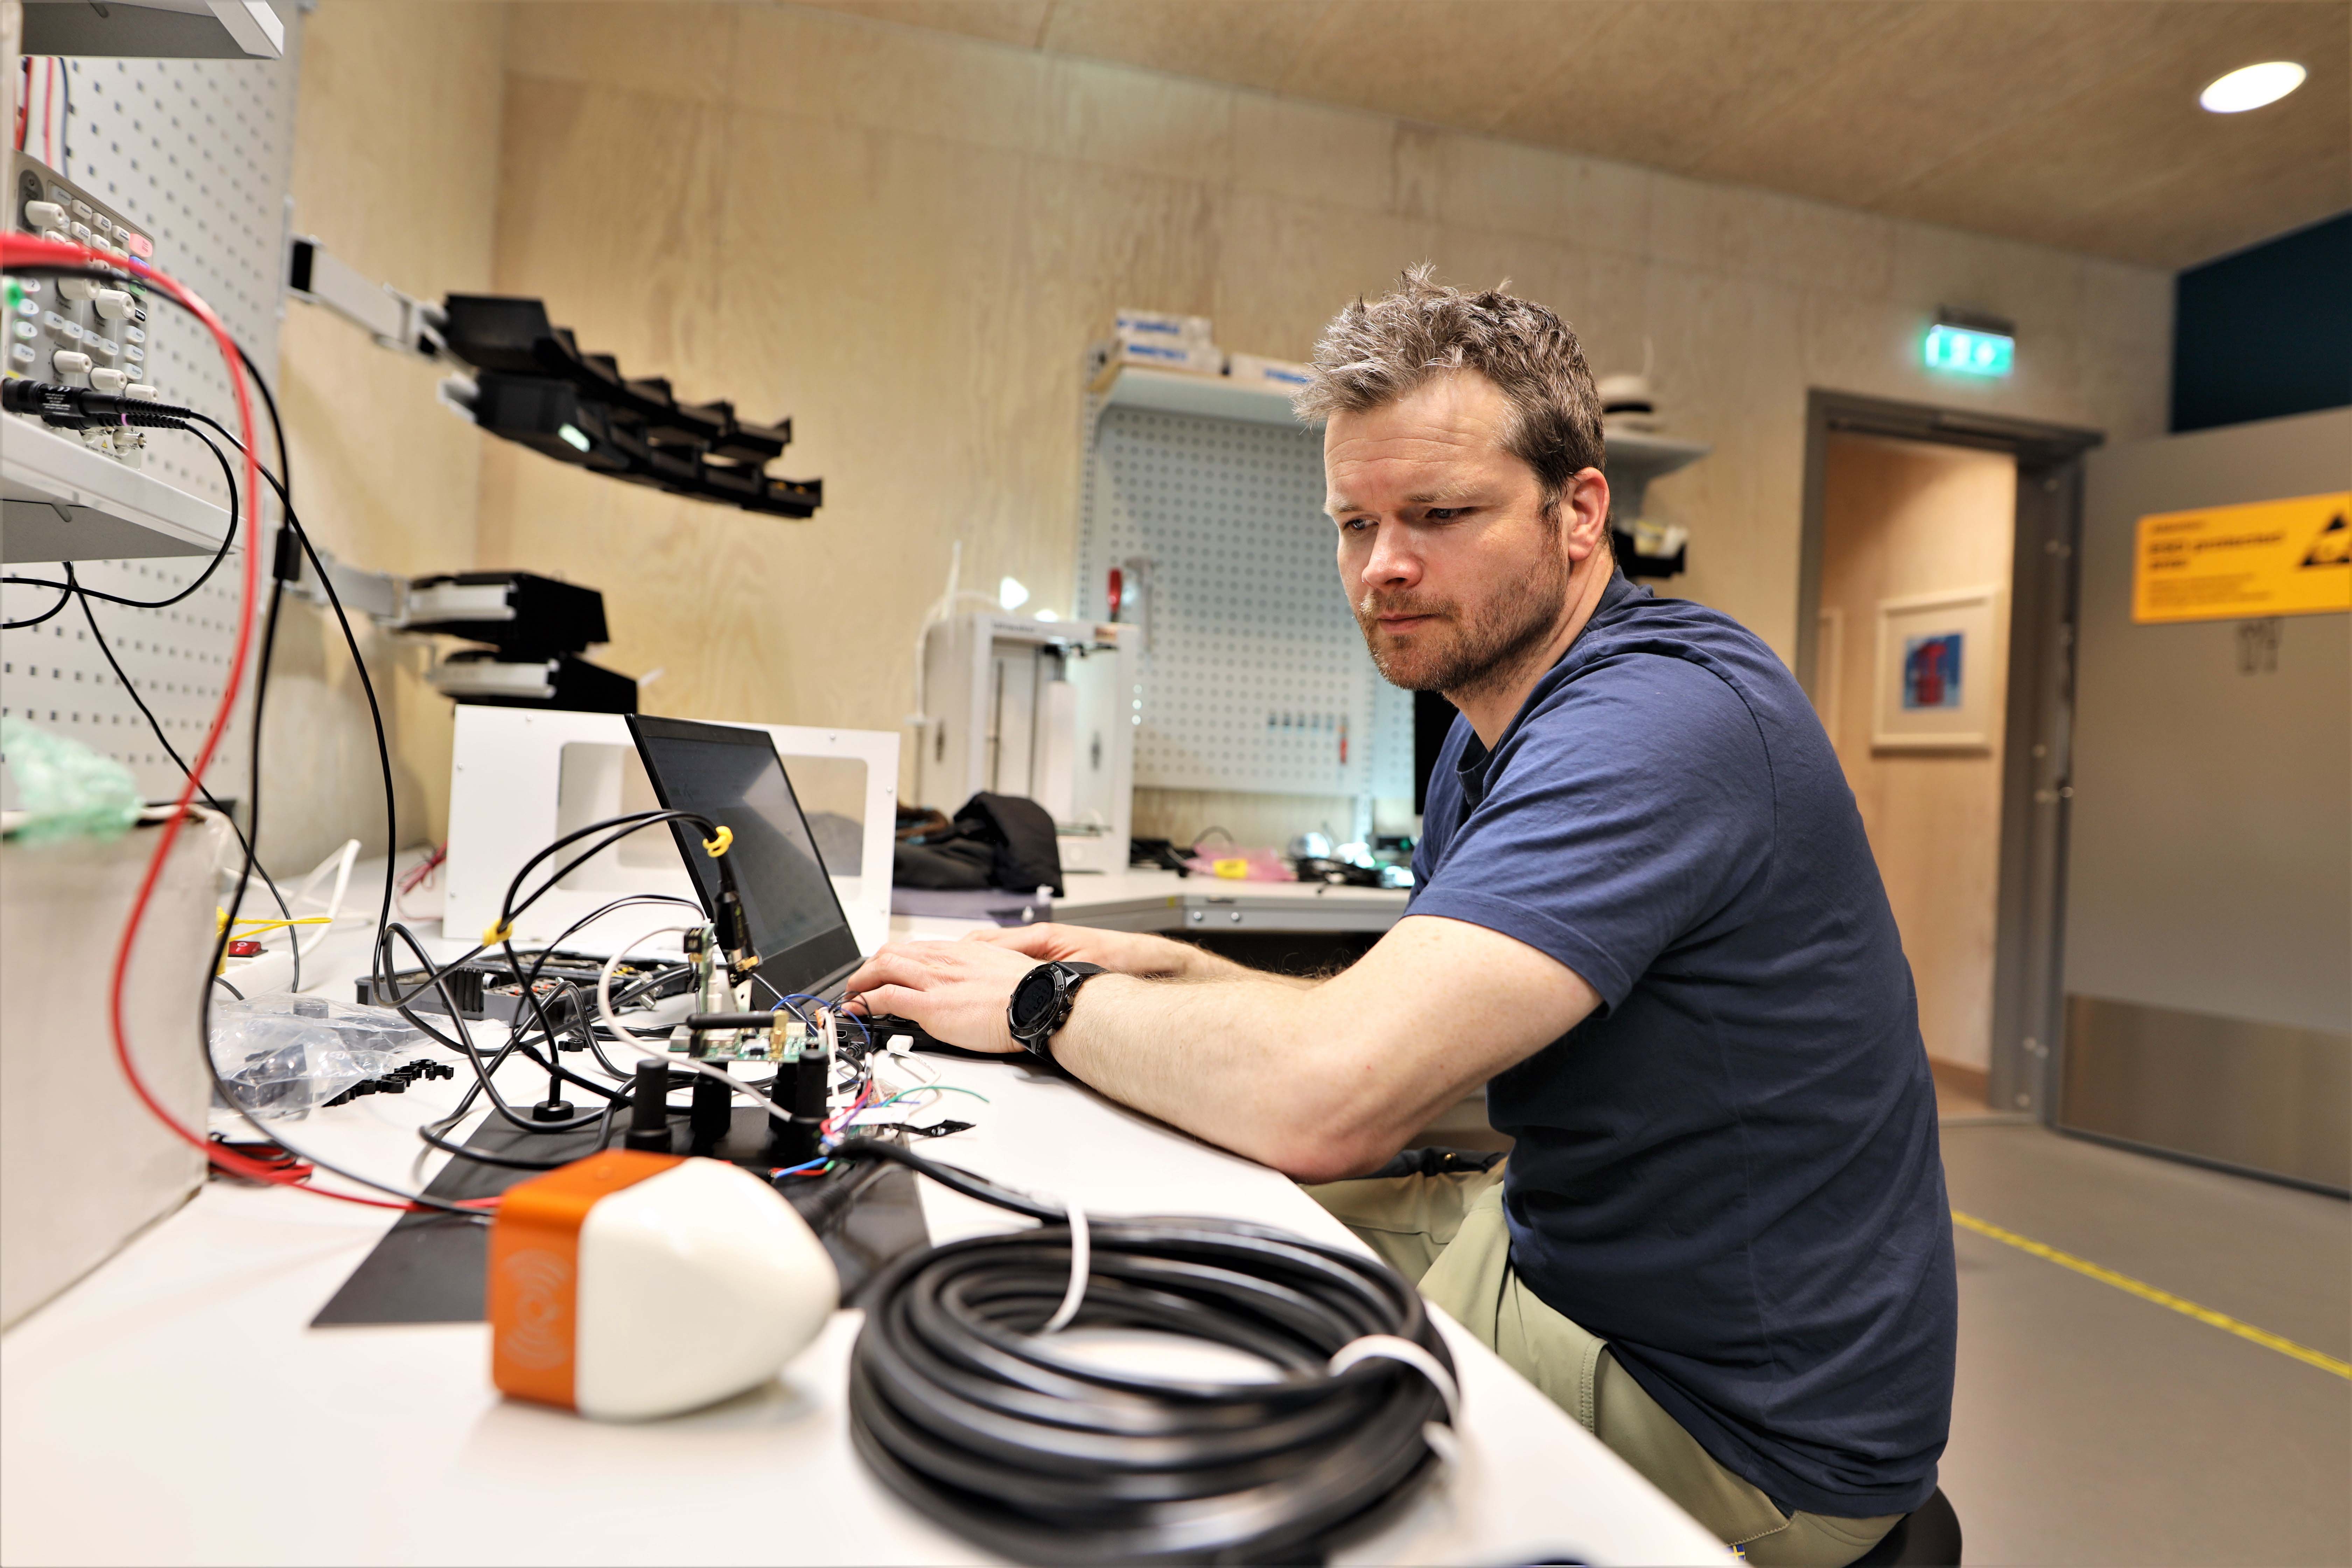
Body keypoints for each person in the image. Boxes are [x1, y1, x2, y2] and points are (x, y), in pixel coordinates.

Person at [844, 266, 1955, 1568]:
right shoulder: (1489, 726)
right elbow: (1409, 1037)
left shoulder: (1659, 723)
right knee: (1114, 1243)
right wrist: (1165, 972)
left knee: (1163, 1429)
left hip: (1730, 1416)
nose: (1384, 568)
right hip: (1557, 1244)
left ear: (1581, 510)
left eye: (1440, 512)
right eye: (1353, 521)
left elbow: (1336, 1097)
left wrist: (1044, 1005)